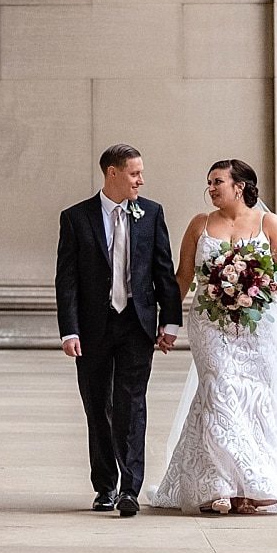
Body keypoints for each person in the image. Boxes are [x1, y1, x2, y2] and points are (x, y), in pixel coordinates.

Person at [148, 159, 277, 514]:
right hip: (209, 324)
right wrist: (167, 322)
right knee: (217, 387)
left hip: (256, 327)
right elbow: (183, 276)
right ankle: (218, 486)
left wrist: (257, 285)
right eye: (209, 183)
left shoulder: (267, 223)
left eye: (218, 182)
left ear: (239, 187)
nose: (211, 189)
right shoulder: (200, 225)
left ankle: (250, 487)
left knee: (253, 398)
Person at [55, 144, 181, 516]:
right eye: (134, 173)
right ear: (112, 173)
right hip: (93, 328)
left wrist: (169, 322)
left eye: (140, 173)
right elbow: (67, 281)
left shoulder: (152, 213)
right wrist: (69, 331)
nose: (140, 179)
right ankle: (105, 486)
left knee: (132, 405)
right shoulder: (76, 218)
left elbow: (164, 272)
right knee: (98, 406)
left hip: (136, 324)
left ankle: (130, 488)